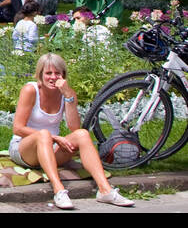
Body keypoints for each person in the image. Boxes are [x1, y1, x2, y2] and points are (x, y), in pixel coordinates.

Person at [9, 53, 134, 209]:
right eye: (48, 73)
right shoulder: (30, 90)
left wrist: (68, 96)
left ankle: (105, 190)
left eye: (57, 73)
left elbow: (74, 128)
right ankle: (59, 190)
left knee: (82, 134)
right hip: (24, 148)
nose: (53, 77)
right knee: (44, 134)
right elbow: (18, 128)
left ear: (63, 75)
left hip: (50, 149)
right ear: (40, 75)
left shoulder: (67, 93)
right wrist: (54, 137)